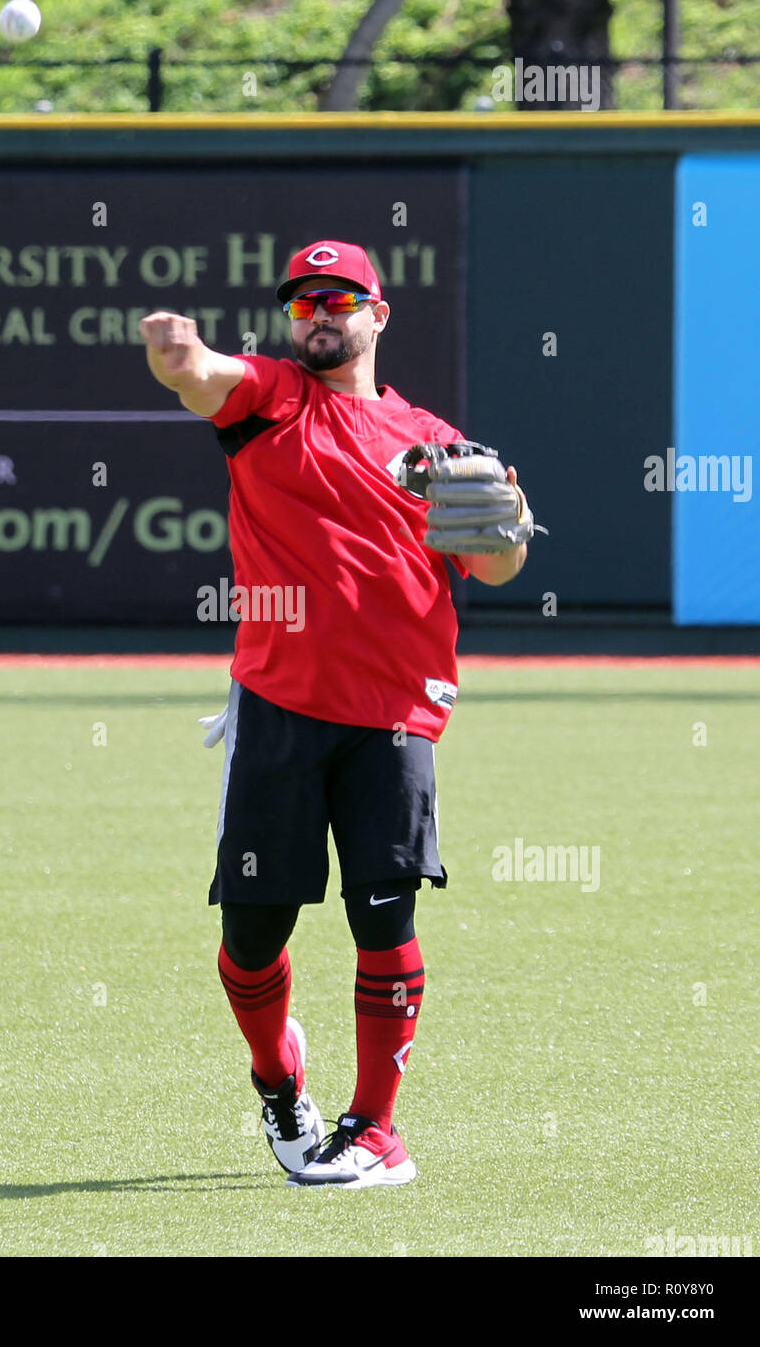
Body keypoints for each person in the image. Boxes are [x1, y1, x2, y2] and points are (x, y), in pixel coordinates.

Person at [139, 241, 531, 1188]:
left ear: (376, 314)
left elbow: (496, 567)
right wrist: (172, 351)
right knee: (251, 934)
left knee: (383, 910)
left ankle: (375, 1130)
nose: (318, 312)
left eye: (338, 297)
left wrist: (507, 522)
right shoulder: (270, 398)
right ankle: (280, 1082)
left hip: (397, 709)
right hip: (280, 700)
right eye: (303, 300)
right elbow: (196, 375)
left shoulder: (436, 442)